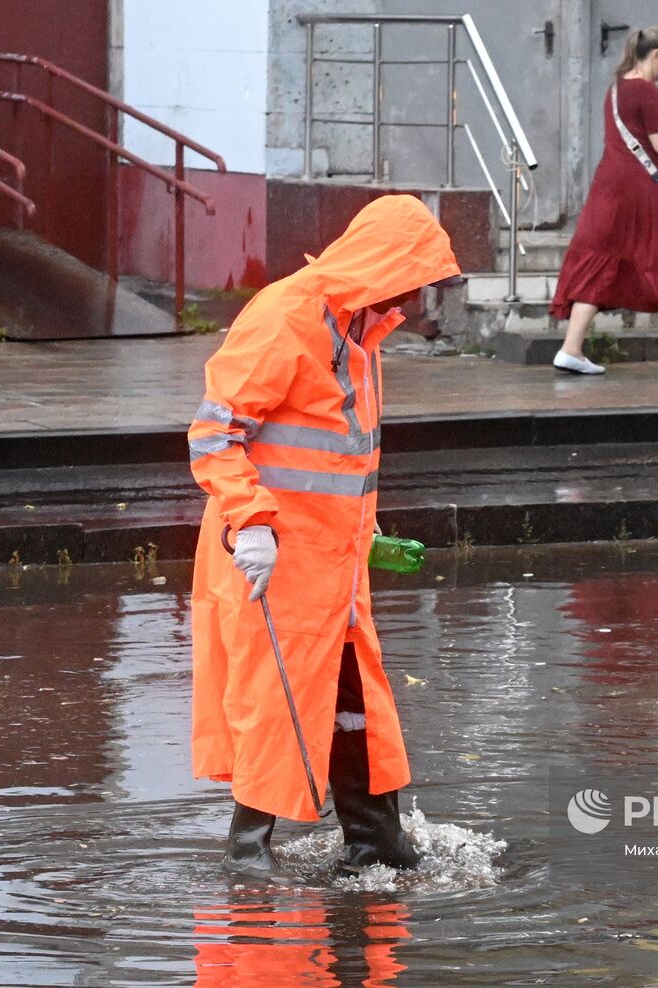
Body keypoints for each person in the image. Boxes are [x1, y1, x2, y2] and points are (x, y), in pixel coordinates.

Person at [187, 194, 463, 882]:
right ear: (382, 267)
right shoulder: (286, 315)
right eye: (415, 278)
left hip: (330, 568)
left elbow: (337, 463)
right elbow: (216, 433)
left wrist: (364, 538)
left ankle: (376, 845)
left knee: (354, 706)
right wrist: (250, 520)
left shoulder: (358, 336)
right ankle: (249, 858)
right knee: (274, 703)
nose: (418, 296)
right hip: (271, 562)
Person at [549, 26, 658, 377]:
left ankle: (571, 349)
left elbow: (639, 133)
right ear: (655, 55)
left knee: (599, 265)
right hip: (638, 194)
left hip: (608, 189)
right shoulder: (647, 91)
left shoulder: (617, 87)